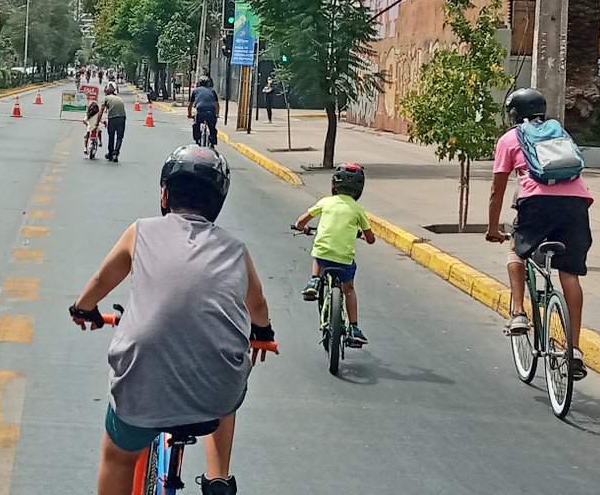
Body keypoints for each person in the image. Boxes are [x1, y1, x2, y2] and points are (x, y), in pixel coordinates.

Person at [70, 145, 274, 495]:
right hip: (216, 393)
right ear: (218, 203)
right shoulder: (237, 250)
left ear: (164, 195)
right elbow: (258, 306)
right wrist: (262, 333)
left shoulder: (141, 231)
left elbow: (102, 281)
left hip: (141, 392)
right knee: (229, 377)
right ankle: (218, 478)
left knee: (117, 459)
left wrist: (83, 308)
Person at [485, 88, 592, 380]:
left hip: (536, 203)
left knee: (516, 251)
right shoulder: (561, 133)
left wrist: (493, 228)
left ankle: (519, 312)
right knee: (569, 273)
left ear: (514, 113)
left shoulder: (510, 139)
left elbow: (498, 190)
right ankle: (575, 348)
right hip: (576, 204)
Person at [294, 163, 376, 346]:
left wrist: (304, 228)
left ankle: (314, 280)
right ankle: (354, 327)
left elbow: (300, 222)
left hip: (323, 256)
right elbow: (371, 239)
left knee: (319, 251)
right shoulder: (358, 209)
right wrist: (363, 235)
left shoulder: (325, 202)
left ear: (333, 185)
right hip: (344, 261)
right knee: (349, 290)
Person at [96, 84, 126, 162]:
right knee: (119, 138)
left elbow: (100, 112)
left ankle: (110, 154)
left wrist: (97, 123)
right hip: (122, 118)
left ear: (107, 93)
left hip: (112, 119)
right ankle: (116, 154)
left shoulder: (106, 98)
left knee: (111, 137)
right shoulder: (119, 98)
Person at [188, 76, 220, 147]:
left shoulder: (195, 91)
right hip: (211, 112)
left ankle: (197, 140)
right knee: (212, 128)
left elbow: (190, 105)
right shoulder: (212, 91)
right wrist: (217, 114)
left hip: (200, 111)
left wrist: (189, 114)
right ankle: (212, 141)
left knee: (196, 125)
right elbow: (217, 104)